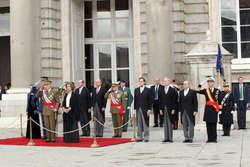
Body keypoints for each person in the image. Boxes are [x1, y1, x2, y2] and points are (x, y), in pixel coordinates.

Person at [197, 77, 220, 143]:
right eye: (209, 82)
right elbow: (197, 91)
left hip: (214, 109)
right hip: (208, 109)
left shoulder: (217, 90)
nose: (210, 83)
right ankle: (209, 138)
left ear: (213, 83)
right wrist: (201, 84)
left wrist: (220, 109)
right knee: (208, 125)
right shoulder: (205, 90)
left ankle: (214, 138)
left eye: (211, 82)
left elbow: (220, 99)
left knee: (214, 125)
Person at [134, 77, 152, 142]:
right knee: (139, 123)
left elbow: (150, 100)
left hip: (145, 109)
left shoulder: (148, 90)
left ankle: (146, 137)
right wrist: (135, 108)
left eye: (141, 81)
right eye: (139, 81)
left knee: (145, 123)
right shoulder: (136, 90)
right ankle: (139, 137)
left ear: (144, 82)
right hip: (138, 108)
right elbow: (135, 100)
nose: (140, 82)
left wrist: (149, 109)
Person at [159, 77, 177, 143]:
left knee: (170, 123)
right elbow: (160, 100)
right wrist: (160, 109)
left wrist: (173, 109)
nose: (165, 82)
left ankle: (170, 138)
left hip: (170, 109)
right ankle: (166, 138)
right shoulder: (161, 90)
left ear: (169, 82)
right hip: (163, 109)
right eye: (164, 81)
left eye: (166, 81)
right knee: (165, 123)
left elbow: (174, 100)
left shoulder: (172, 90)